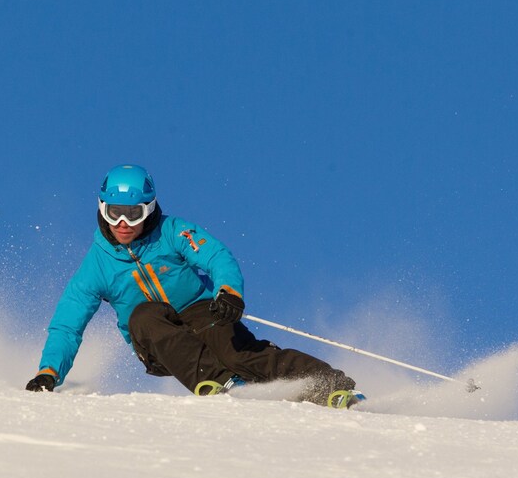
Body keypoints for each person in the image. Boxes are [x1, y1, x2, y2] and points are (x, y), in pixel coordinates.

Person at [25, 164, 359, 406]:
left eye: (133, 213)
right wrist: (49, 372)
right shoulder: (95, 267)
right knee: (143, 315)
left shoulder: (174, 232)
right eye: (114, 213)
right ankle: (222, 383)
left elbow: (216, 257)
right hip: (156, 341)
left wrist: (228, 291)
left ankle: (328, 383)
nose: (123, 224)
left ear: (149, 209)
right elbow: (68, 325)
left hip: (200, 312)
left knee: (237, 350)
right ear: (102, 210)